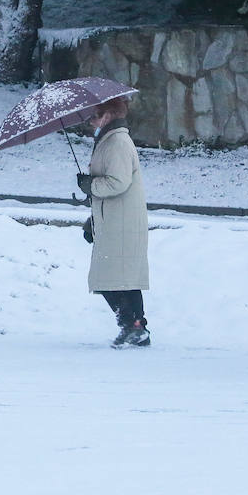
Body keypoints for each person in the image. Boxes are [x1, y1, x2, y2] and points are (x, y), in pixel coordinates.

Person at [77, 96, 150, 348]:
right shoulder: (110, 140)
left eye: (94, 115)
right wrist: (93, 219)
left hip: (120, 223)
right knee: (123, 278)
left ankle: (132, 325)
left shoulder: (117, 142)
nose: (91, 121)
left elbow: (118, 183)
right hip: (115, 220)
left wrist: (90, 185)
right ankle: (137, 327)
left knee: (110, 278)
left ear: (107, 115)